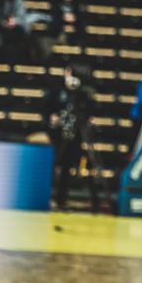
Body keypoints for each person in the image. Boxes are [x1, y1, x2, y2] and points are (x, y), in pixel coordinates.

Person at [48, 66, 103, 210]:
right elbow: (46, 109)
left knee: (68, 168)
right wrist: (52, 118)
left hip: (76, 135)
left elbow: (90, 110)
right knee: (53, 166)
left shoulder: (83, 94)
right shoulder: (57, 91)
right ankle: (47, 198)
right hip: (58, 136)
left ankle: (62, 200)